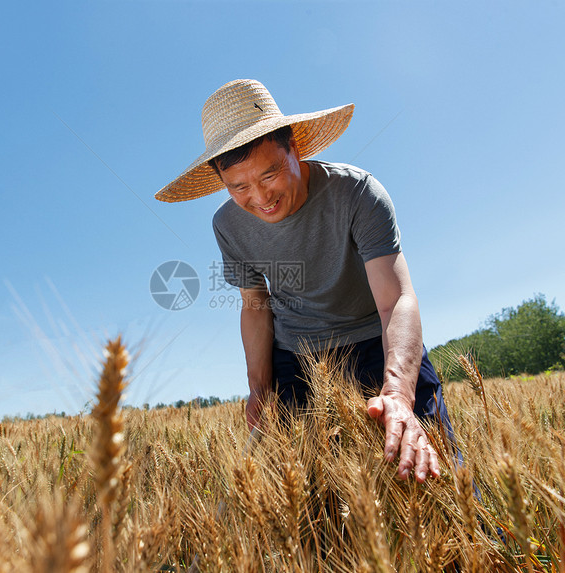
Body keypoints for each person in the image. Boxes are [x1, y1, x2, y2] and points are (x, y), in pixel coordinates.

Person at [156, 79, 452, 483]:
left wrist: (398, 393)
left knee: (433, 471)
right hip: (296, 356)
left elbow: (396, 299)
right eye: (238, 187)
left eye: (270, 174)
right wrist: (260, 389)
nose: (260, 197)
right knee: (310, 501)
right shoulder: (226, 224)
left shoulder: (358, 192)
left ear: (294, 148)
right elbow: (255, 304)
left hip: (374, 341)